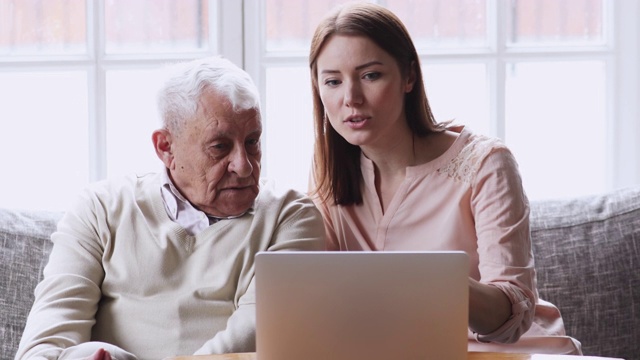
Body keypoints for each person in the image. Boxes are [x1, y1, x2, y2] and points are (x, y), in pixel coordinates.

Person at [307, 2, 581, 355]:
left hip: (507, 353)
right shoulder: (329, 167)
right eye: (332, 81)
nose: (351, 98)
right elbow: (316, 294)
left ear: (409, 76)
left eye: (370, 75)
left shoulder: (486, 163)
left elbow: (512, 312)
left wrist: (423, 279)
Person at [15, 56, 325, 360]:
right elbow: (43, 344)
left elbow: (247, 342)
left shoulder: (291, 217)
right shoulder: (100, 208)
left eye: (253, 141)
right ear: (166, 147)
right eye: (220, 146)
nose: (244, 166)